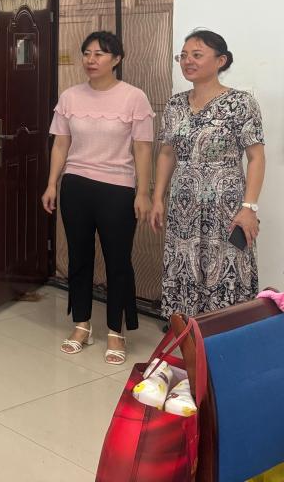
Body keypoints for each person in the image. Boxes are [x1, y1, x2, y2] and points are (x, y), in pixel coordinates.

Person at [42, 31, 153, 365]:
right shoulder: (70, 96)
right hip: (76, 185)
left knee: (118, 261)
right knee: (79, 257)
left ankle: (116, 331)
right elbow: (61, 143)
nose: (91, 60)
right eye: (87, 53)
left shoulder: (134, 97)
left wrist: (143, 192)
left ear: (116, 59)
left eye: (99, 54)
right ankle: (82, 325)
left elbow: (142, 149)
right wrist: (52, 184)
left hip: (118, 188)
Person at [150, 29, 264, 318]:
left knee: (227, 267)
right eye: (183, 55)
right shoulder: (175, 105)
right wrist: (158, 198)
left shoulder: (241, 103)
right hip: (183, 207)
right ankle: (187, 334)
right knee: (183, 265)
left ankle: (226, 334)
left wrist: (249, 207)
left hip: (227, 207)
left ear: (220, 60)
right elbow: (167, 153)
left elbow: (256, 157)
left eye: (197, 55)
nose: (188, 61)